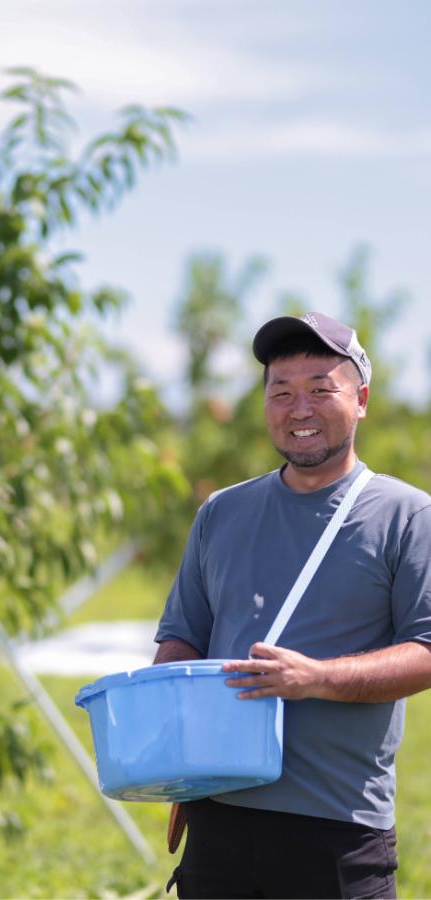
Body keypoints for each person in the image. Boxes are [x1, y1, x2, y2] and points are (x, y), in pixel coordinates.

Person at [155, 311, 431, 899]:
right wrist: (176, 760)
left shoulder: (408, 516)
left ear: (361, 399)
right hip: (219, 816)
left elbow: (428, 651)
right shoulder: (221, 513)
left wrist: (316, 679)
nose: (298, 409)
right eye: (281, 392)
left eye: (319, 390)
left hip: (336, 826)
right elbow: (182, 639)